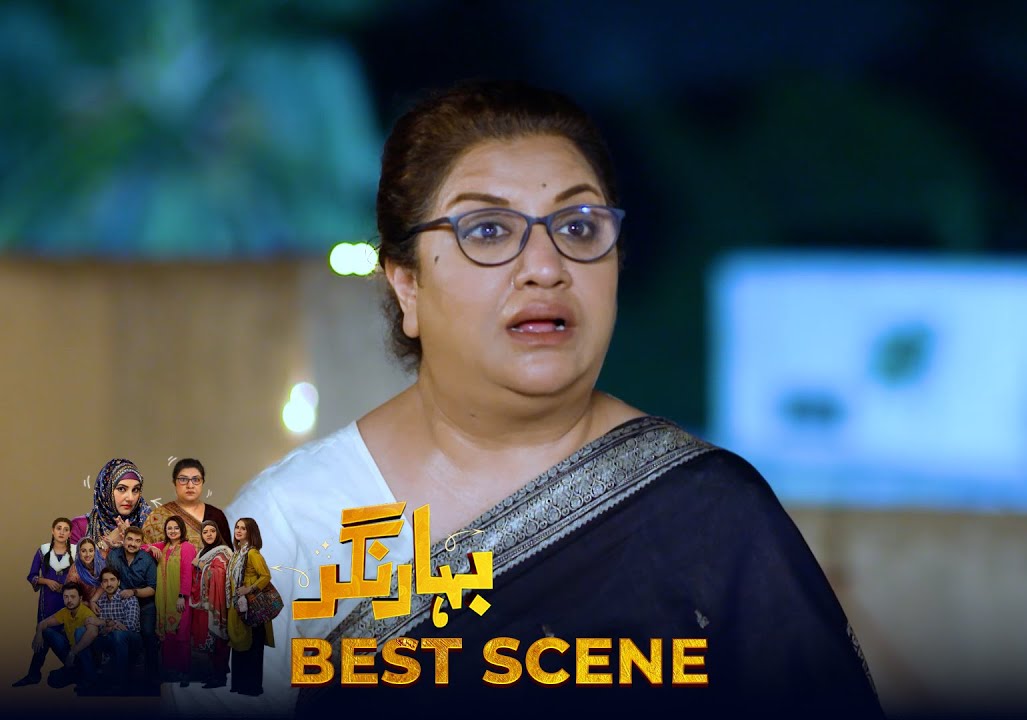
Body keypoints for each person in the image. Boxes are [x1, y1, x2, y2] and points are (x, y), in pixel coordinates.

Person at [170, 81, 882, 717]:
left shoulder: (709, 512)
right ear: (407, 285)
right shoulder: (288, 530)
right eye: (487, 230)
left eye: (578, 228)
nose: (545, 267)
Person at [13, 517, 75, 687]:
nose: (62, 532)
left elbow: (82, 577)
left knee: (68, 637)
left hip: (68, 601)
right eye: (58, 528)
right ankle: (34, 674)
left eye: (66, 529)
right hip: (47, 602)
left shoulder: (76, 552)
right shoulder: (43, 551)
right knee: (43, 637)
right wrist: (47, 581)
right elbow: (32, 576)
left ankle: (70, 670)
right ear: (52, 531)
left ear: (70, 533)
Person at [144, 515, 197, 685]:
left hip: (180, 599)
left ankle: (184, 672)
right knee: (167, 636)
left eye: (176, 528)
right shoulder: (164, 546)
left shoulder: (187, 547)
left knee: (182, 635)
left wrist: (182, 596)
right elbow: (142, 547)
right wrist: (151, 547)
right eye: (169, 528)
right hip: (164, 599)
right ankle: (171, 671)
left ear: (182, 529)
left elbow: (188, 573)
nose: (172, 531)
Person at [108, 525, 160, 691]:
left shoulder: (147, 560)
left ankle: (152, 676)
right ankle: (122, 675)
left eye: (137, 541)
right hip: (123, 604)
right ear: (123, 540)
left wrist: (134, 592)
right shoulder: (113, 555)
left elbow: (152, 588)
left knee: (148, 634)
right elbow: (108, 579)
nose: (132, 543)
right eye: (129, 539)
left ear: (141, 543)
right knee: (120, 635)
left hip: (145, 604)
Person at [141, 458, 233, 552]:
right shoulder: (158, 516)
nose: (190, 485)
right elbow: (143, 553)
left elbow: (228, 555)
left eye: (196, 479)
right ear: (174, 483)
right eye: (183, 479)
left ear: (202, 482)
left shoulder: (217, 516)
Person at [227, 518, 274, 697]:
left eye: (243, 528)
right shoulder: (236, 554)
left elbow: (265, 576)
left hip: (253, 606)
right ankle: (239, 685)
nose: (238, 531)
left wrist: (249, 589)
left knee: (253, 646)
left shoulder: (253, 553)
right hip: (238, 605)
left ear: (251, 532)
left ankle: (252, 687)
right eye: (237, 527)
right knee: (240, 643)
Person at [71, 458, 151, 554]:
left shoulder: (149, 523)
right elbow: (73, 562)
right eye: (121, 489)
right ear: (106, 491)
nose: (130, 498)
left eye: (135, 490)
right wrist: (107, 542)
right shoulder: (80, 526)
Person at [31, 584, 98, 689]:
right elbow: (43, 623)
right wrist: (38, 633)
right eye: (66, 597)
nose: (69, 600)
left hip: (84, 657)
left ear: (80, 598)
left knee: (55, 680)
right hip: (71, 653)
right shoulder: (65, 612)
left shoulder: (86, 613)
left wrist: (73, 652)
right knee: (46, 632)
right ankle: (33, 675)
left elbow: (93, 633)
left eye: (73, 597)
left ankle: (83, 675)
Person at [191, 520, 233, 689]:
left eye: (212, 531)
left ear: (218, 533)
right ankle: (214, 672)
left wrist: (202, 565)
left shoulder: (224, 551)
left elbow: (222, 574)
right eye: (205, 532)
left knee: (218, 639)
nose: (208, 534)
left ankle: (220, 676)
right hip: (203, 603)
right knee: (207, 640)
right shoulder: (202, 551)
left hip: (217, 602)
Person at [89, 567, 143, 695]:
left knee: (119, 635)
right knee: (91, 636)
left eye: (112, 580)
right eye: (105, 581)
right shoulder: (100, 601)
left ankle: (122, 683)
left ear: (118, 582)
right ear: (102, 585)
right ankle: (93, 678)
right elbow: (100, 629)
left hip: (132, 640)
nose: (109, 584)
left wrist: (108, 625)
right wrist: (112, 624)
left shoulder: (128, 598)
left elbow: (130, 625)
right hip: (111, 638)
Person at [68, 537, 106, 611]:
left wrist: (93, 601)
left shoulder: (102, 563)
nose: (87, 554)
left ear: (95, 551)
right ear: (78, 552)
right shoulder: (75, 570)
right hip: (85, 608)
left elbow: (106, 582)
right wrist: (88, 604)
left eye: (91, 551)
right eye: (83, 551)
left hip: (106, 604)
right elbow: (70, 594)